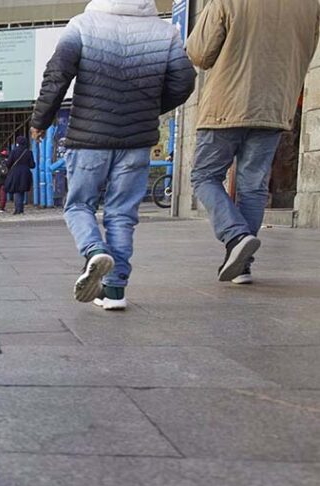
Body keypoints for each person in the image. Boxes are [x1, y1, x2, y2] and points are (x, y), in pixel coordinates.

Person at [31, 0, 194, 310]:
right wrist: (147, 110)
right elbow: (184, 82)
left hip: (88, 138)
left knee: (79, 204)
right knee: (121, 214)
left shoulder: (82, 25)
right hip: (136, 140)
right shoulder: (165, 33)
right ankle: (115, 291)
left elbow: (57, 75)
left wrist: (40, 120)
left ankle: (94, 252)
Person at [187, 0, 320, 285]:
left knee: (204, 176)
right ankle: (242, 265)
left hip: (225, 104)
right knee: (254, 186)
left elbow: (200, 53)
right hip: (273, 106)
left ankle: (236, 236)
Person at [4, 137, 36, 214]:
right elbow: (32, 165)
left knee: (16, 191)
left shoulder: (13, 151)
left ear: (17, 143)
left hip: (15, 173)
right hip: (25, 173)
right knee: (21, 190)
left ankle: (18, 209)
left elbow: (8, 164)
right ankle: (20, 209)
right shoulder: (28, 152)